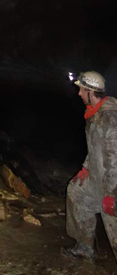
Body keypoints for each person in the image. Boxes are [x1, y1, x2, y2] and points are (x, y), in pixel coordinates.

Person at [65, 70, 117, 260]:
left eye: (82, 90)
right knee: (76, 192)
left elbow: (114, 159)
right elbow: (95, 148)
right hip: (97, 175)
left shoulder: (110, 118)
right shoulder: (95, 114)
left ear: (91, 92)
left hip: (112, 182)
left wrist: (111, 194)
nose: (79, 94)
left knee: (113, 225)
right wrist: (86, 168)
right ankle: (85, 246)